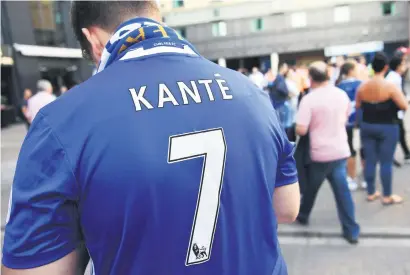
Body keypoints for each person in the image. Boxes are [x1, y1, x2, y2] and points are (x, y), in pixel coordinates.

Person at [2, 2, 300, 275]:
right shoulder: (252, 94)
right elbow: (287, 208)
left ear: (92, 39)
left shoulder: (60, 123)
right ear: (156, 14)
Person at [295, 61, 360, 244]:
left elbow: (301, 129)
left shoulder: (309, 99)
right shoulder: (341, 94)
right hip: (340, 150)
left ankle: (303, 214)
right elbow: (347, 116)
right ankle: (351, 230)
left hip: (319, 153)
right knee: (342, 192)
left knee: (311, 187)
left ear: (311, 78)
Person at [356, 52, 408, 205]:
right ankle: (386, 196)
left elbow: (358, 106)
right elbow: (404, 105)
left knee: (370, 160)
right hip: (387, 126)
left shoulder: (362, 87)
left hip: (367, 126)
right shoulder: (390, 87)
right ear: (386, 67)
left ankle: (371, 192)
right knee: (386, 162)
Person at [336, 61, 367, 191]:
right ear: (351, 71)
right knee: (364, 148)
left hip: (345, 121)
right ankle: (365, 178)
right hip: (361, 119)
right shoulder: (360, 84)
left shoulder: (338, 86)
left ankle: (351, 177)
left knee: (350, 150)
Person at [386, 55, 410, 164]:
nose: (405, 66)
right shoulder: (393, 78)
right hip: (394, 111)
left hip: (396, 111)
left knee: (400, 133)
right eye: (403, 64)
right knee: (398, 133)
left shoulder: (395, 76)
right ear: (398, 66)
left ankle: (406, 153)